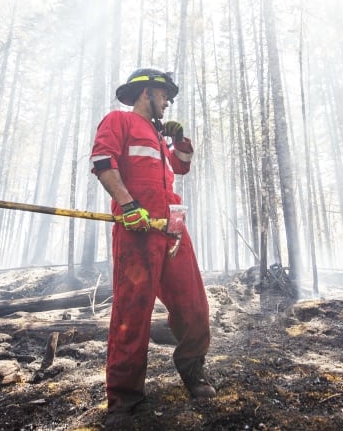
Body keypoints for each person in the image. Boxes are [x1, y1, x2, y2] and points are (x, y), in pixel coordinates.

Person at [90, 68, 215, 426]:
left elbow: (182, 167)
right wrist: (128, 205)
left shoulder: (160, 138)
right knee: (133, 313)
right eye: (164, 95)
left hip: (172, 230)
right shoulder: (119, 121)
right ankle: (125, 400)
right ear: (146, 92)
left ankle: (192, 366)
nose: (167, 102)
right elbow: (102, 162)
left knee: (194, 304)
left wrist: (179, 140)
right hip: (137, 230)